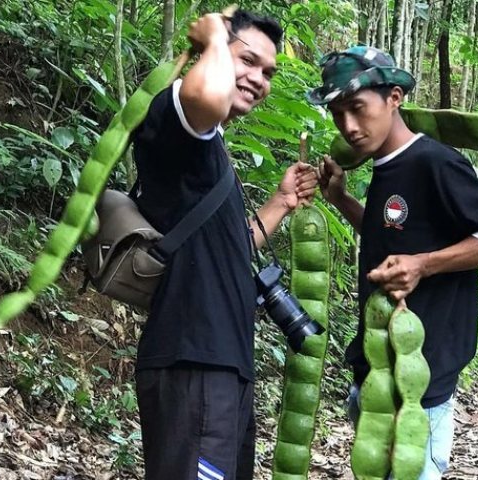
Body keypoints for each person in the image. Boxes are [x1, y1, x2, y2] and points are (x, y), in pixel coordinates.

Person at [307, 45, 478, 480]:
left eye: (357, 108)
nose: (349, 126)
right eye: (338, 114)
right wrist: (341, 200)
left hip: (420, 384)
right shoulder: (385, 167)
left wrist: (424, 265)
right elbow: (393, 238)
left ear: (394, 98)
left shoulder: (433, 161)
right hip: (373, 378)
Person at [129, 10, 317, 480]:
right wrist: (213, 38)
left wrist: (280, 203)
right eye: (246, 60)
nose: (258, 79)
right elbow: (206, 96)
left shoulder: (210, 153)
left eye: (268, 72)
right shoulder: (180, 115)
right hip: (194, 361)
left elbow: (231, 248)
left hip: (221, 365)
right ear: (212, 54)